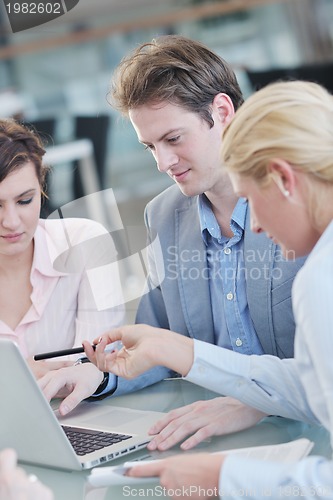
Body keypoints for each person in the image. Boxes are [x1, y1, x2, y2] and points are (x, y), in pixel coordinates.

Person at [42, 35, 303, 437]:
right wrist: (101, 377)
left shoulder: (306, 201)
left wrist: (254, 400)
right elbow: (162, 343)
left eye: (173, 139)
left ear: (221, 111)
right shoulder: (164, 215)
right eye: (150, 147)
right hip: (207, 429)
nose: (163, 163)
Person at [85, 80, 333, 498]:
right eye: (150, 146)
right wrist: (174, 350)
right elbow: (313, 386)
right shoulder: (165, 215)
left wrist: (224, 480)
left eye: (251, 198)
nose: (253, 226)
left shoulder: (319, 276)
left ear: (285, 180)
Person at [0, 118, 124, 399]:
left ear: (41, 188)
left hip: (82, 421)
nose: (11, 221)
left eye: (24, 201)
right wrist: (32, 374)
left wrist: (14, 379)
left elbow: (100, 366)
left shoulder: (85, 243)